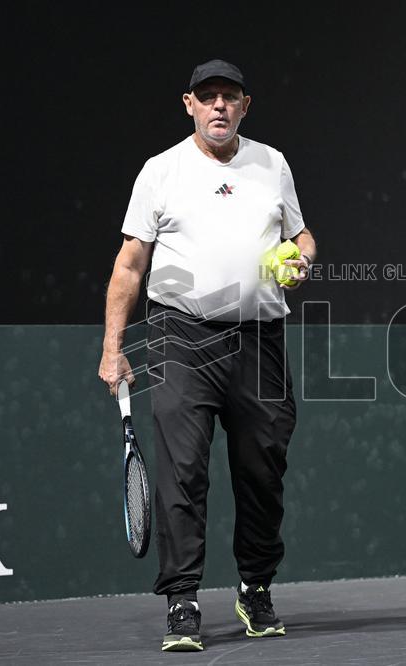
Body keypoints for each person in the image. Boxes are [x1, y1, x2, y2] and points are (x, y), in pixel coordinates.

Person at [97, 58, 317, 652]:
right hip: (181, 337)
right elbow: (130, 265)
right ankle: (182, 600)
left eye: (230, 97)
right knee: (182, 472)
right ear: (189, 104)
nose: (219, 106)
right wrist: (113, 347)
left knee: (263, 473)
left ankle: (255, 587)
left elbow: (300, 236)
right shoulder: (160, 172)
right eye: (208, 96)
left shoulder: (273, 164)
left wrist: (301, 259)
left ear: (246, 106)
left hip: (262, 340)